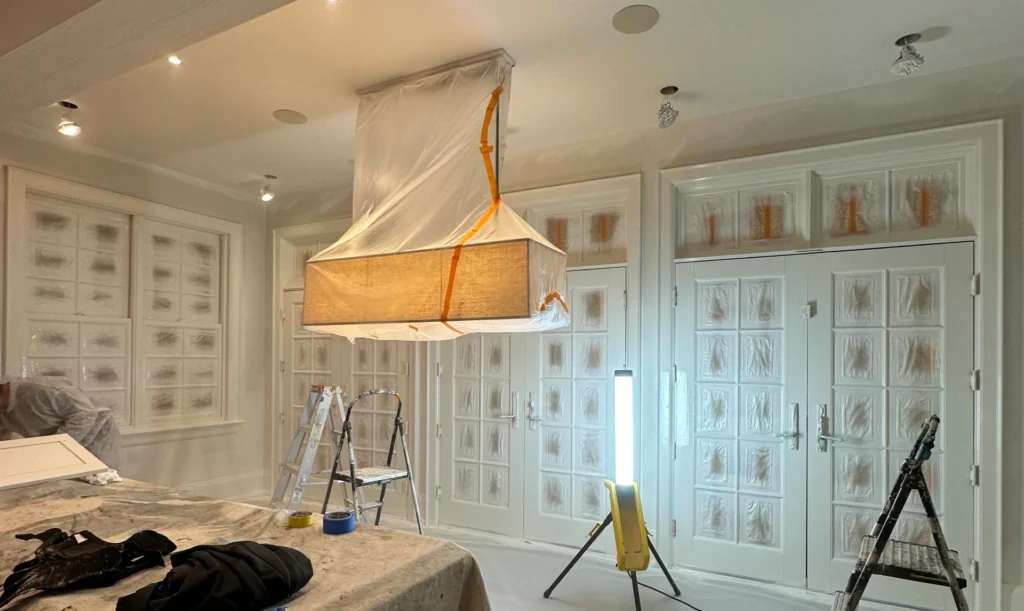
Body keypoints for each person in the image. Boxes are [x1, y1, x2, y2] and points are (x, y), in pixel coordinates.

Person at [0, 376, 122, 475]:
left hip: (97, 434)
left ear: (4, 389)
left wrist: (57, 447)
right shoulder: (4, 407)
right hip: (59, 443)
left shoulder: (44, 389)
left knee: (100, 479)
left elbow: (85, 414)